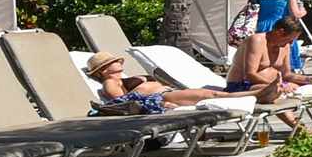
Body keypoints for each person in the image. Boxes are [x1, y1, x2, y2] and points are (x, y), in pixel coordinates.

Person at [85, 51, 230, 108]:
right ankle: (250, 94)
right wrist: (160, 101)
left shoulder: (122, 81)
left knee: (208, 94)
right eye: (113, 62)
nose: (119, 62)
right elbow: (123, 103)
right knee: (210, 94)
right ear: (104, 70)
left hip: (166, 93)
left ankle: (246, 94)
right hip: (162, 96)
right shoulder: (110, 83)